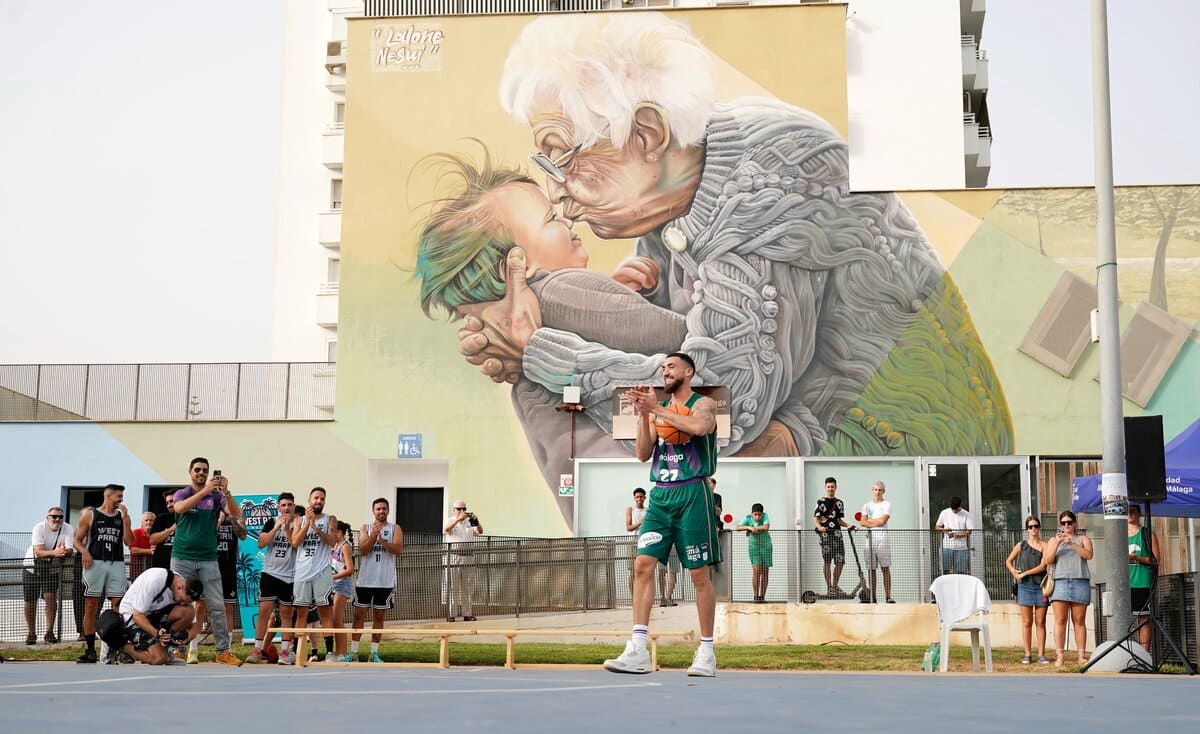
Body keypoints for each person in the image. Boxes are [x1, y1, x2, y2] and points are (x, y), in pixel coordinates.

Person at [459, 12, 1012, 464]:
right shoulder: (682, 177)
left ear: (646, 133)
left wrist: (542, 353)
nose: (557, 193)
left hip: (907, 447)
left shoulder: (766, 183)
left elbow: (715, 416)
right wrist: (525, 335)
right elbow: (674, 335)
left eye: (561, 155)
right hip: (813, 421)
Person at [603, 352, 720, 677]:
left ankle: (707, 652)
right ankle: (638, 648)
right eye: (663, 367)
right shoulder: (658, 411)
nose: (665, 371)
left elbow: (699, 427)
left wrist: (655, 408)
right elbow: (642, 453)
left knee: (698, 574)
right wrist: (644, 415)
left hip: (693, 492)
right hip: (661, 494)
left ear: (688, 371)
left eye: (671, 366)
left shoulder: (704, 403)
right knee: (642, 565)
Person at [170, 458, 244, 666]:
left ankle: (223, 650)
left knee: (216, 605)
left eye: (205, 470)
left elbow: (235, 514)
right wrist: (203, 492)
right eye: (198, 470)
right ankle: (177, 648)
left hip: (208, 558)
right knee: (180, 603)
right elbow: (180, 509)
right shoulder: (183, 493)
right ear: (190, 472)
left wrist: (226, 492)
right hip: (182, 556)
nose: (202, 473)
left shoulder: (217, 496)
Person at [73, 483, 133, 664]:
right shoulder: (90, 514)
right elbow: (76, 540)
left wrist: (126, 520)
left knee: (119, 605)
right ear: (108, 496)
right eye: (119, 497)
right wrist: (84, 552)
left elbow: (129, 542)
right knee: (91, 604)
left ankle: (117, 648)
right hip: (95, 561)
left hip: (116, 562)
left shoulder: (121, 516)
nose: (121, 500)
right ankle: (90, 649)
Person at [96, 567, 203, 666]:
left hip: (153, 615)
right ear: (180, 587)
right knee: (158, 658)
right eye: (183, 600)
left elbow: (196, 626)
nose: (183, 603)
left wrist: (184, 638)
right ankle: (120, 645)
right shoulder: (155, 581)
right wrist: (157, 633)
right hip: (133, 619)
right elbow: (137, 615)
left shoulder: (186, 588)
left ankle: (168, 648)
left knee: (188, 611)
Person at [245, 492, 298, 665]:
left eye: (289, 505)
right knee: (264, 612)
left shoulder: (299, 522)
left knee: (286, 614)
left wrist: (288, 529)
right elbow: (261, 543)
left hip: (290, 575)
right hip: (270, 573)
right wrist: (276, 528)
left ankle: (284, 652)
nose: (286, 508)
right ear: (278, 507)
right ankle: (257, 649)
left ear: (294, 506)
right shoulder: (271, 521)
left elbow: (296, 544)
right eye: (283, 505)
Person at [351, 497, 404, 662]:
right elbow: (364, 550)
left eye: (384, 509)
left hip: (385, 581)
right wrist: (374, 535)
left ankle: (373, 653)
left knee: (379, 616)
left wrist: (382, 541)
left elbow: (398, 550)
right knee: (359, 615)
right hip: (366, 581)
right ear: (373, 511)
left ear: (388, 511)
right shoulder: (365, 528)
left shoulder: (395, 528)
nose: (381, 511)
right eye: (378, 509)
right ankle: (353, 652)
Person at [291, 486, 339, 661]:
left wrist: (315, 528)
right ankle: (297, 652)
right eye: (316, 498)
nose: (319, 501)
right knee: (301, 612)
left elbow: (332, 541)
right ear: (309, 500)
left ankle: (329, 652)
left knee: (324, 611)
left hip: (321, 571)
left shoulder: (330, 519)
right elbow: (295, 543)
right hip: (302, 572)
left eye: (322, 499)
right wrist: (307, 524)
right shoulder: (299, 520)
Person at [192, 509, 247, 663]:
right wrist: (218, 521)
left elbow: (243, 534)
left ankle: (226, 650)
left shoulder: (234, 513)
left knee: (227, 608)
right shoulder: (205, 512)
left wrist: (232, 518)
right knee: (200, 607)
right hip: (207, 565)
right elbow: (201, 536)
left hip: (228, 567)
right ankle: (193, 649)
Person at [1044, 510, 1094, 667]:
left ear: (1074, 524)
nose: (1066, 526)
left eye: (1069, 523)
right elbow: (1047, 560)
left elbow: (1088, 555)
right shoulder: (1053, 540)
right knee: (1060, 620)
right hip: (1060, 582)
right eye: (1063, 523)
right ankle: (1060, 655)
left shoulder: (1083, 538)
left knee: (1079, 621)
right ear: (1060, 525)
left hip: (1080, 580)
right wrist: (1059, 542)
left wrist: (1071, 543)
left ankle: (1081, 655)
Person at [23, 507, 74, 645]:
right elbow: (39, 551)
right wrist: (56, 552)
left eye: (60, 517)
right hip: (32, 566)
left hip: (52, 567)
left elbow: (69, 549)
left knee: (50, 597)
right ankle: (31, 633)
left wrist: (63, 551)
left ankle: (49, 632)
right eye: (54, 516)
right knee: (30, 599)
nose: (57, 519)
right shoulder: (38, 528)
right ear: (47, 517)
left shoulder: (68, 528)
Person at [1005, 515, 1050, 664]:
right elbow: (1008, 560)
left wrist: (1024, 573)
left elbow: (1043, 566)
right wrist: (1013, 571)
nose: (1033, 529)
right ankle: (1027, 654)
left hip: (1040, 585)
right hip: (1024, 586)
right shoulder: (1021, 545)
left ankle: (1041, 654)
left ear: (1039, 528)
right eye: (1030, 526)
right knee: (1026, 622)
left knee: (1041, 621)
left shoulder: (1045, 545)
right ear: (1027, 529)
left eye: (1036, 526)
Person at [1127, 504, 1160, 651]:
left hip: (1142, 583)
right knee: (1122, 618)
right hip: (1124, 584)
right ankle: (1126, 652)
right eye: (1127, 511)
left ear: (1139, 513)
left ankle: (1144, 653)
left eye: (1133, 511)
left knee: (1143, 619)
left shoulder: (1146, 534)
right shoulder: (1118, 535)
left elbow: (1156, 559)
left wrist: (1137, 558)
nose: (1130, 514)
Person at [812, 477, 853, 597]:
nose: (830, 489)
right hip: (826, 535)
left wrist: (848, 525)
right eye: (828, 487)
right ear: (825, 487)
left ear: (836, 487)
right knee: (827, 561)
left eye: (832, 486)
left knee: (840, 562)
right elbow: (815, 518)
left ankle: (835, 586)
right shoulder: (821, 502)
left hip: (837, 535)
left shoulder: (839, 503)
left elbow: (839, 520)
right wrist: (819, 527)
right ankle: (829, 587)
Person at [444, 500, 483, 622]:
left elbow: (480, 531)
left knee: (467, 586)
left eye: (464, 509)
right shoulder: (450, 520)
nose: (462, 511)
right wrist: (457, 520)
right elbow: (446, 529)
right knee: (452, 586)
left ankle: (467, 613)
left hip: (467, 556)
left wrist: (476, 521)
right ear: (454, 510)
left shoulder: (469, 522)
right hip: (453, 556)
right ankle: (451, 614)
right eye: (459, 509)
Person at [860, 481, 894, 604]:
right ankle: (872, 597)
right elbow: (862, 522)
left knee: (885, 568)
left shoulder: (886, 504)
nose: (877, 492)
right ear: (872, 491)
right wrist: (873, 521)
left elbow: (882, 521)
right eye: (875, 490)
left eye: (880, 490)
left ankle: (888, 596)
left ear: (883, 491)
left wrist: (870, 521)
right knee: (871, 569)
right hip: (869, 540)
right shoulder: (866, 505)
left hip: (882, 539)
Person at [328, 521, 355, 662]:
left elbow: (350, 569)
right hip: (334, 586)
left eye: (333, 531)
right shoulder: (335, 547)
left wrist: (332, 577)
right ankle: (338, 652)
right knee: (333, 620)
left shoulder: (345, 547)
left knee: (337, 620)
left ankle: (342, 653)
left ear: (339, 532)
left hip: (342, 586)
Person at [735, 503, 772, 602]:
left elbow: (766, 527)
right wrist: (749, 528)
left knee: (765, 571)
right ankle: (755, 596)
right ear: (751, 514)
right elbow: (737, 527)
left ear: (762, 514)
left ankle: (762, 596)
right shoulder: (747, 518)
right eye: (755, 514)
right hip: (754, 547)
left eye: (759, 515)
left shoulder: (765, 516)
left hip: (766, 546)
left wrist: (755, 528)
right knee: (756, 570)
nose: (757, 517)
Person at [935, 496, 972, 575]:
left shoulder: (966, 514)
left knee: (961, 573)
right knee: (945, 572)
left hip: (961, 548)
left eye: (956, 509)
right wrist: (944, 530)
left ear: (959, 505)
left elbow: (969, 531)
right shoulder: (944, 512)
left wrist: (959, 535)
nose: (954, 511)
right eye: (952, 509)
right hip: (946, 547)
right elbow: (937, 527)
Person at [148, 487, 178, 570]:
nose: (169, 505)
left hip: (183, 563)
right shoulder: (162, 518)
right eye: (167, 502)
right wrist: (171, 529)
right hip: (161, 565)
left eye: (171, 501)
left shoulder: (189, 518)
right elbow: (152, 540)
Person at [625, 488, 647, 595]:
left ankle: (641, 595)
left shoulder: (648, 511)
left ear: (644, 498)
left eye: (641, 497)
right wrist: (640, 523)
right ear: (634, 498)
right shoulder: (631, 510)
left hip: (644, 543)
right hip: (633, 542)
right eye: (637, 497)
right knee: (632, 571)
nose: (639, 499)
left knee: (643, 571)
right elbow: (628, 527)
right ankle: (633, 597)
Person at [129, 512, 155, 580]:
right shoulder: (136, 532)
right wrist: (150, 551)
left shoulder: (157, 535)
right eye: (146, 520)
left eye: (151, 520)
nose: (149, 522)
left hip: (152, 571)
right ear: (142, 523)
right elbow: (133, 550)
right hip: (137, 572)